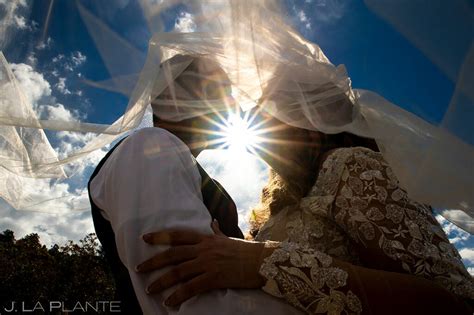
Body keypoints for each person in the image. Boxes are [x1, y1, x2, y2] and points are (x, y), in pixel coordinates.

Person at [132, 75, 474, 314]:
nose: (264, 133)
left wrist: (264, 263)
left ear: (316, 120)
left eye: (277, 114)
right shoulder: (274, 208)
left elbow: (455, 303)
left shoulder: (352, 167)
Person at [88, 54, 303, 314]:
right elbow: (188, 298)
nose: (232, 102)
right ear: (174, 99)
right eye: (218, 90)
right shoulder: (148, 148)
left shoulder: (205, 180)